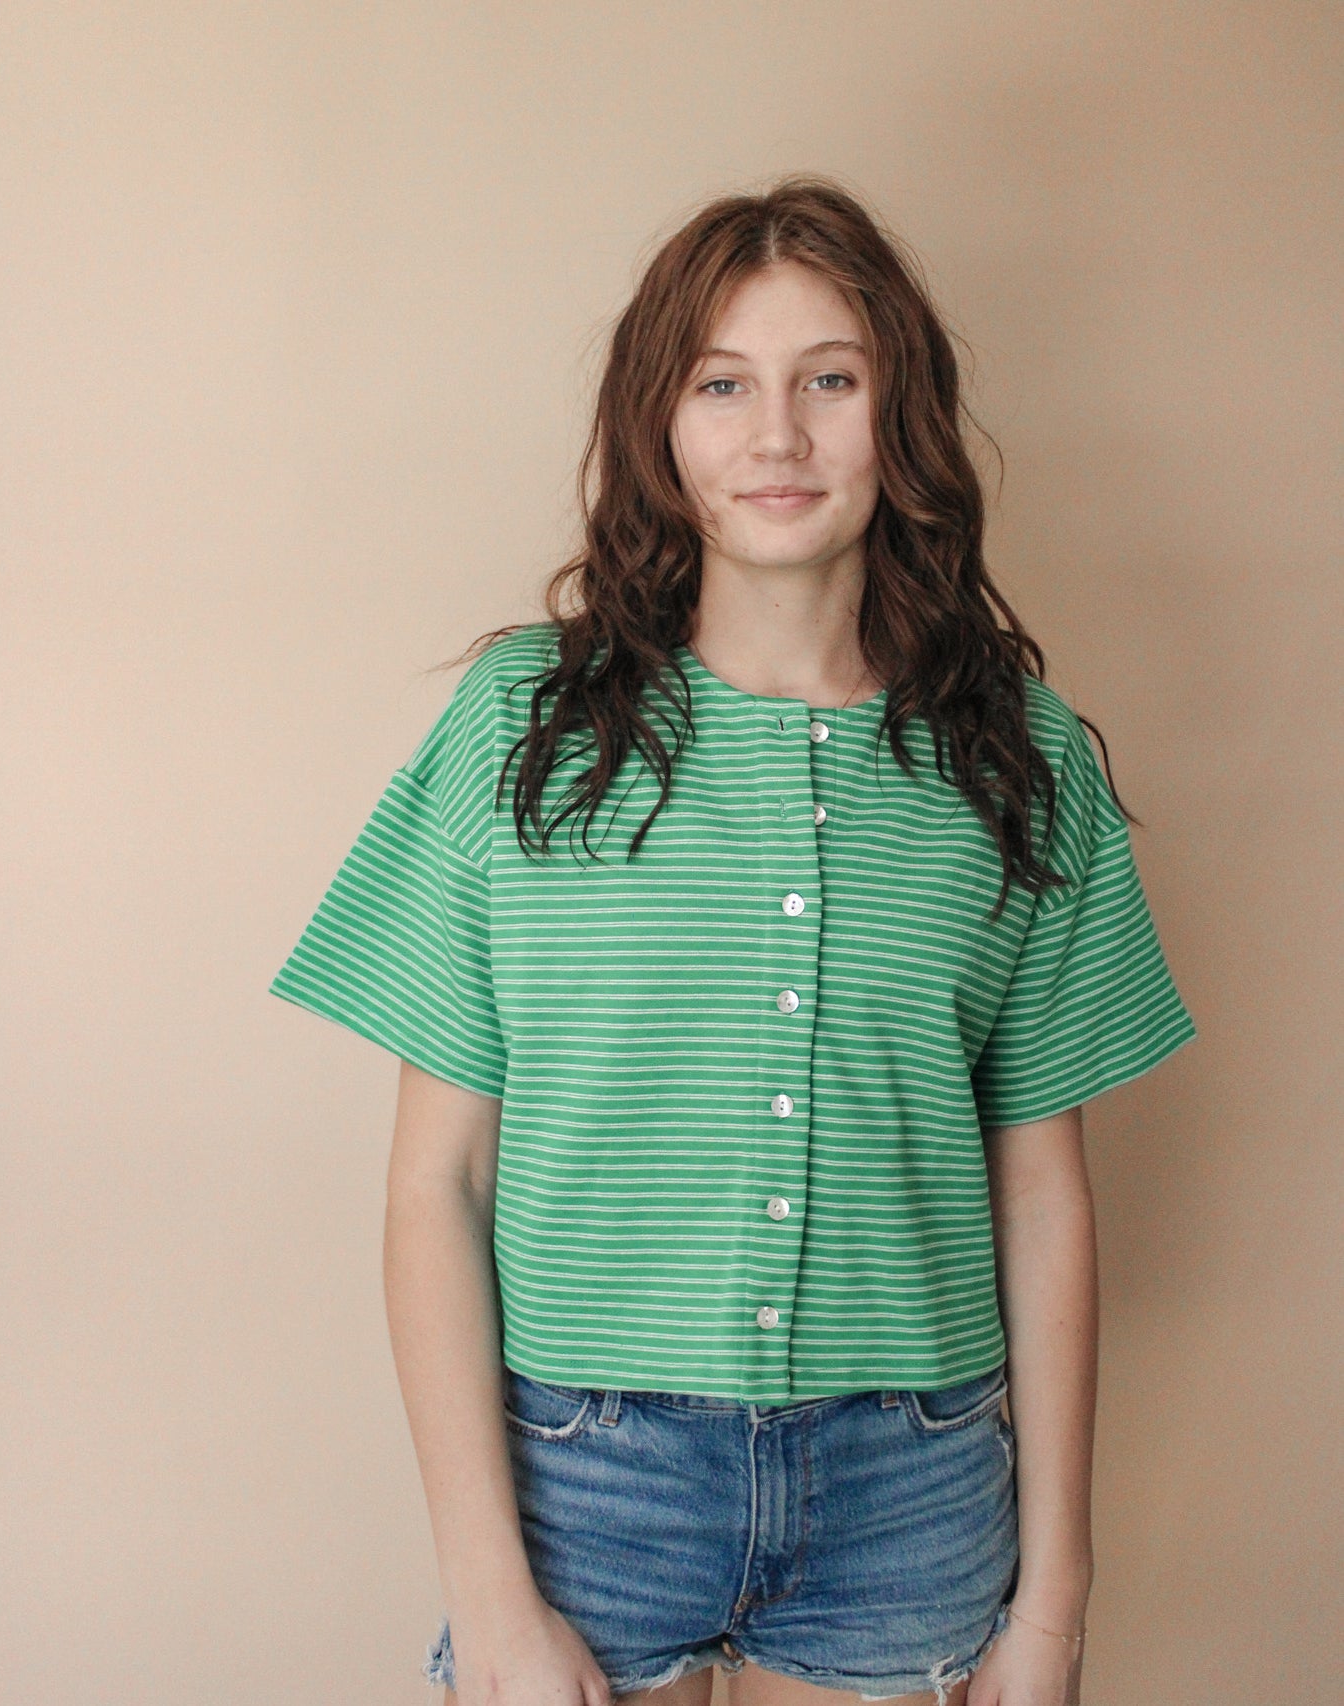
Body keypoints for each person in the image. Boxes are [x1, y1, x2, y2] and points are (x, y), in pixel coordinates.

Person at [269, 176, 1197, 1706]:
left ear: (900, 417)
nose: (776, 435)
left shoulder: (1017, 758)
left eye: (828, 379)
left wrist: (1053, 1606)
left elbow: (1042, 1192)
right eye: (721, 384)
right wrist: (489, 1598)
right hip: (581, 1479)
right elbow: (436, 1184)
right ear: (659, 422)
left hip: (907, 1481)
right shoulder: (520, 727)